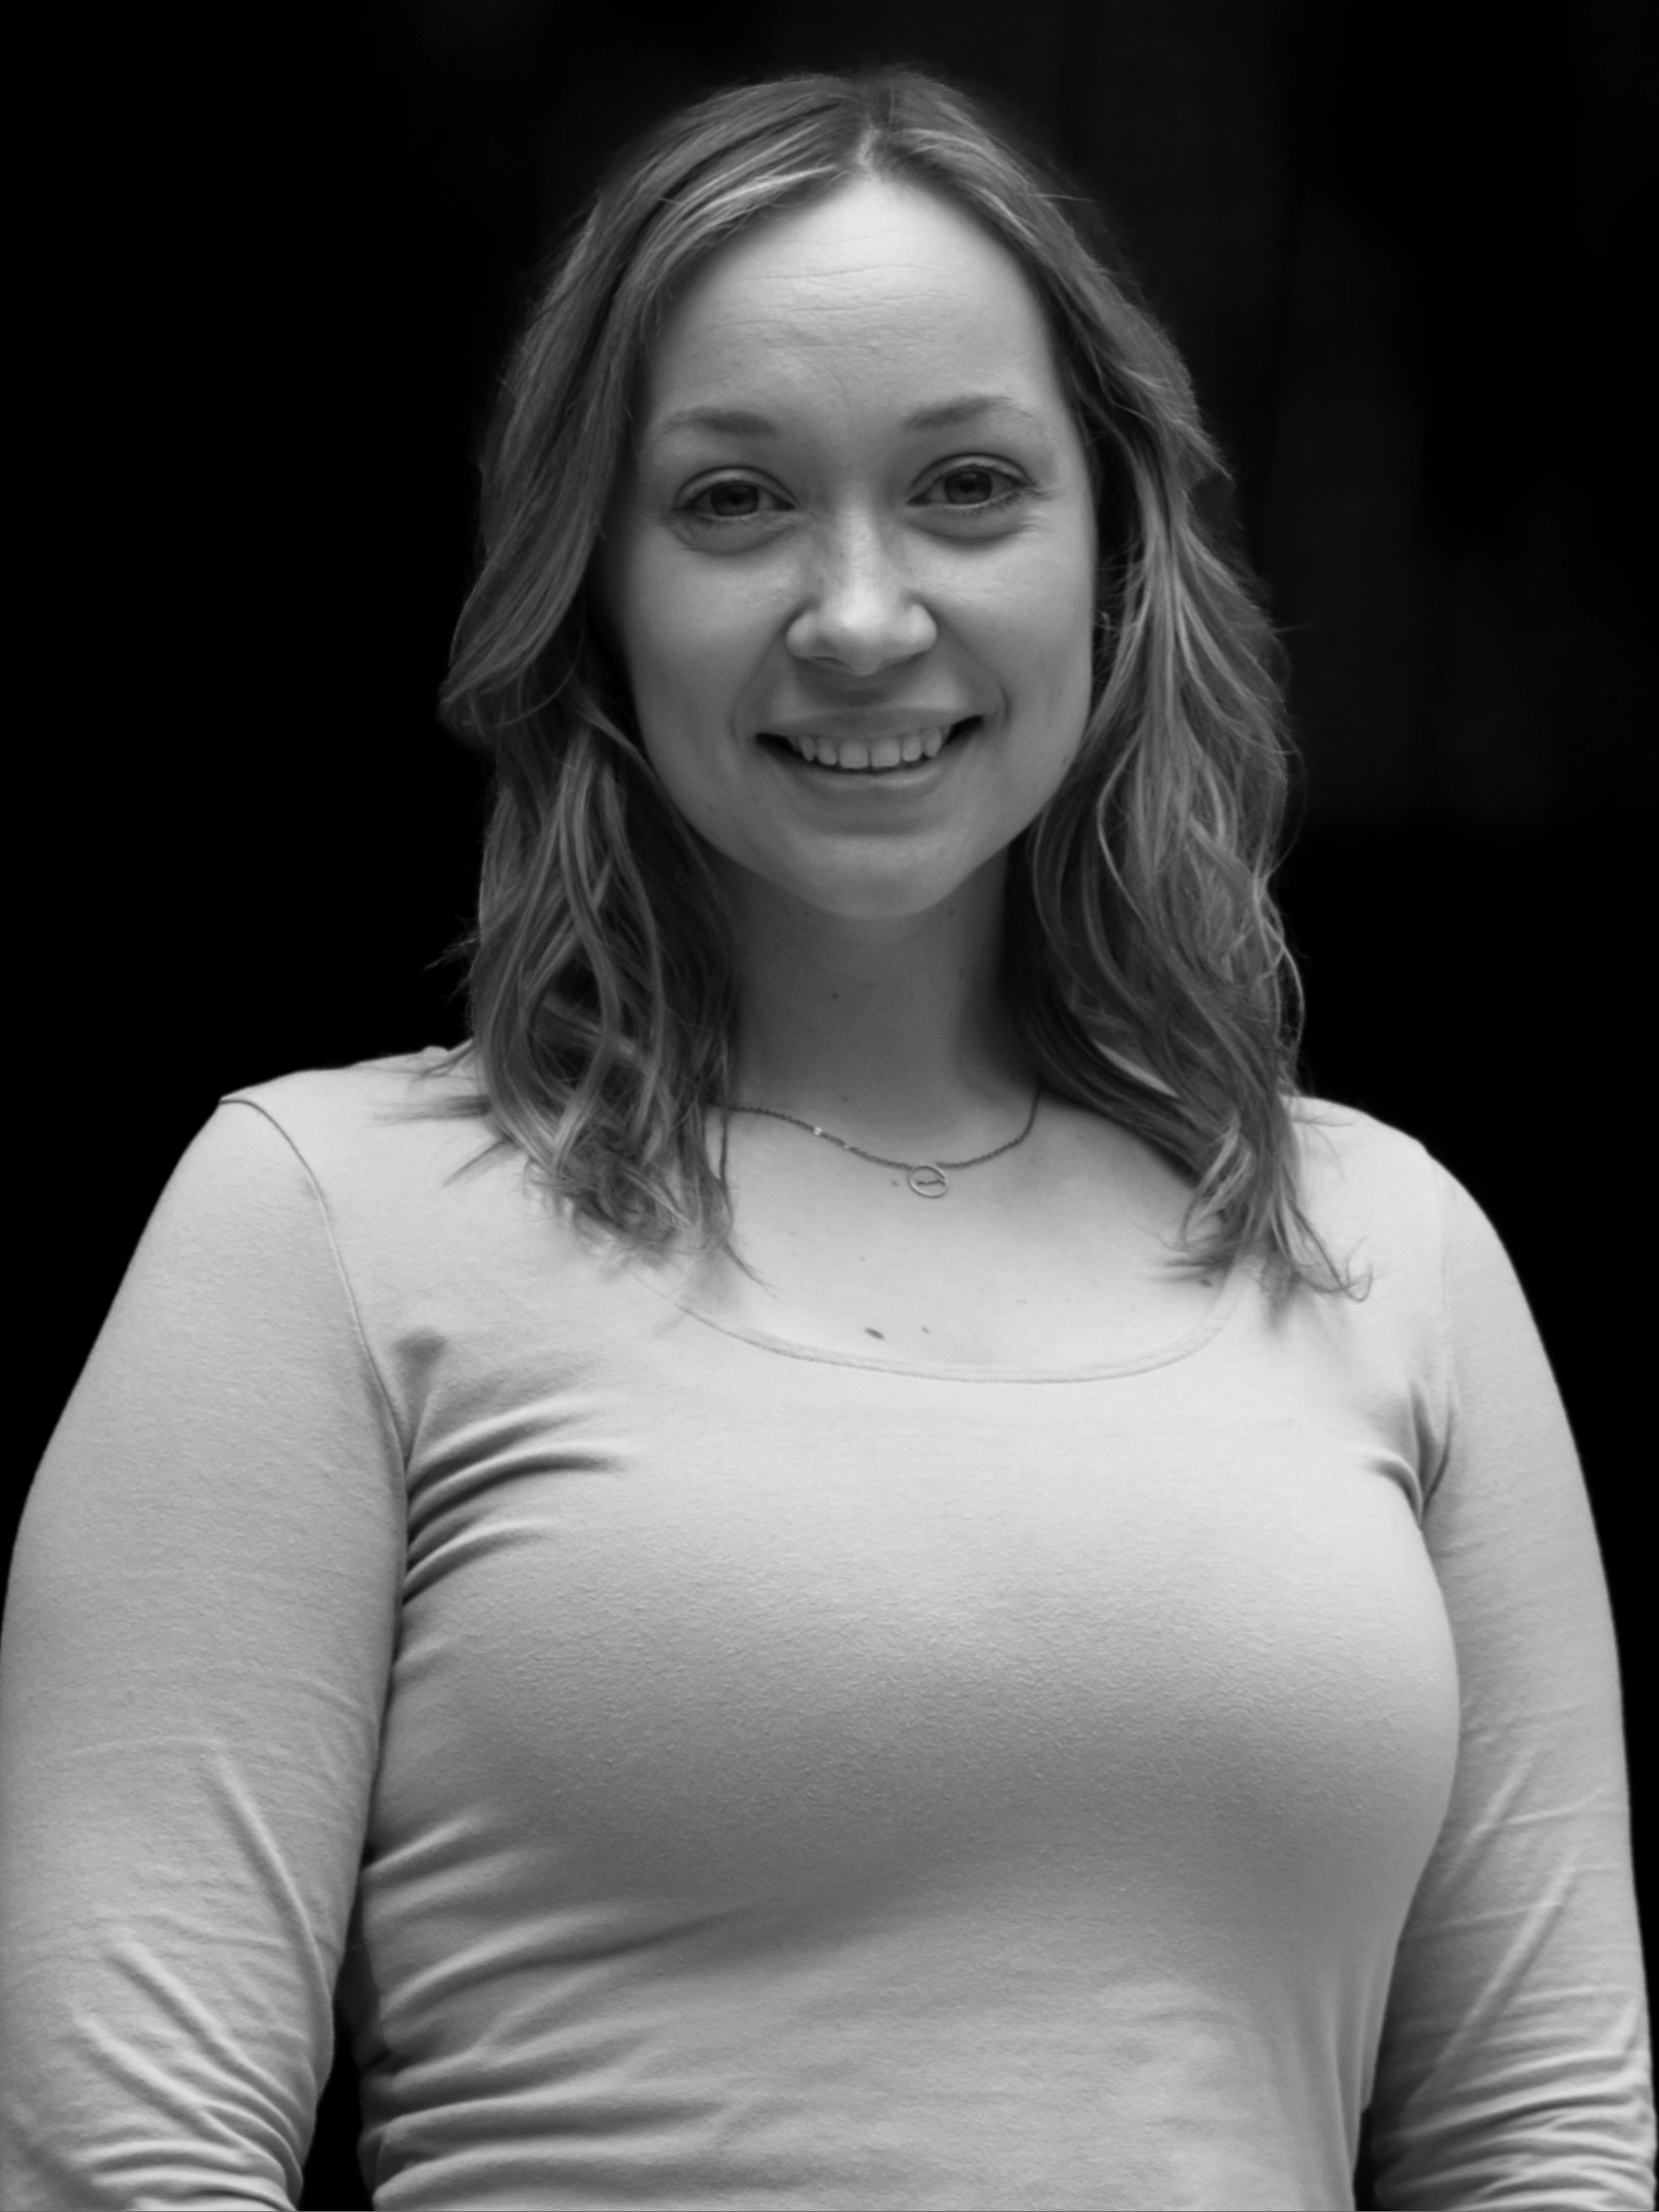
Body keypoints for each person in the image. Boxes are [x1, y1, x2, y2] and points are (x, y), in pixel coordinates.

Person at [0, 63, 1651, 2212]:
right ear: (587, 581)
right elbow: (128, 2161)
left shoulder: (1385, 1246)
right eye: (733, 501)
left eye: (968, 486)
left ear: (1115, 549)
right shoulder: (321, 1228)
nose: (861, 614)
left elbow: (1543, 2151)